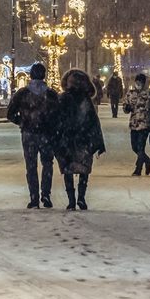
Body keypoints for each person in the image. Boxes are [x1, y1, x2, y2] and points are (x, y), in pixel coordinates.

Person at [7, 63, 59, 209]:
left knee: (31, 166)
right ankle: (46, 194)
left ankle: (34, 197)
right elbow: (58, 115)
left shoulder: (22, 94)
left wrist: (21, 121)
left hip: (28, 134)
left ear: (30, 75)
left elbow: (10, 113)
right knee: (47, 164)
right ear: (44, 75)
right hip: (46, 134)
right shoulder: (51, 94)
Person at [54, 69, 105, 210]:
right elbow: (94, 122)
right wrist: (97, 142)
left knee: (68, 169)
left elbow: (55, 119)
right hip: (84, 139)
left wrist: (56, 137)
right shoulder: (86, 100)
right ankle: (81, 198)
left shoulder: (62, 98)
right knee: (83, 169)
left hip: (67, 139)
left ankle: (71, 201)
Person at [122, 73, 150, 176]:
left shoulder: (149, 94)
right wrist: (127, 108)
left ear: (143, 83)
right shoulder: (130, 94)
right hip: (134, 124)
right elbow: (125, 106)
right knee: (134, 147)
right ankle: (147, 160)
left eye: (140, 82)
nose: (138, 84)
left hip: (145, 124)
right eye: (137, 82)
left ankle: (138, 168)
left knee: (140, 147)